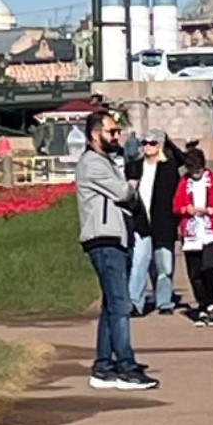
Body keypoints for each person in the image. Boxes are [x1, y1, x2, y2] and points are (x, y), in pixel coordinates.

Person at [74, 102, 156, 391]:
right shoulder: (92, 163)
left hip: (114, 238)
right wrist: (132, 187)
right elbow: (123, 192)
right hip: (104, 239)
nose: (117, 136)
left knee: (112, 305)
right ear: (96, 134)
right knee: (121, 305)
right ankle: (126, 366)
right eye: (112, 131)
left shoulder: (106, 161)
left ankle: (103, 366)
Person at [172, 144, 213, 323]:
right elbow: (175, 206)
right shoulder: (184, 183)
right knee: (194, 271)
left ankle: (211, 301)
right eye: (192, 170)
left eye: (198, 170)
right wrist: (186, 209)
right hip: (190, 233)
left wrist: (208, 210)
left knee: (208, 266)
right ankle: (203, 304)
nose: (195, 173)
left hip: (211, 231)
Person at [127, 134, 179, 316]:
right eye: (145, 143)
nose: (148, 146)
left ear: (160, 145)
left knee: (164, 264)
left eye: (152, 143)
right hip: (141, 222)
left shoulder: (169, 168)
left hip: (164, 222)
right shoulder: (135, 166)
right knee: (139, 261)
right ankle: (135, 302)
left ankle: (164, 301)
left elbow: (175, 196)